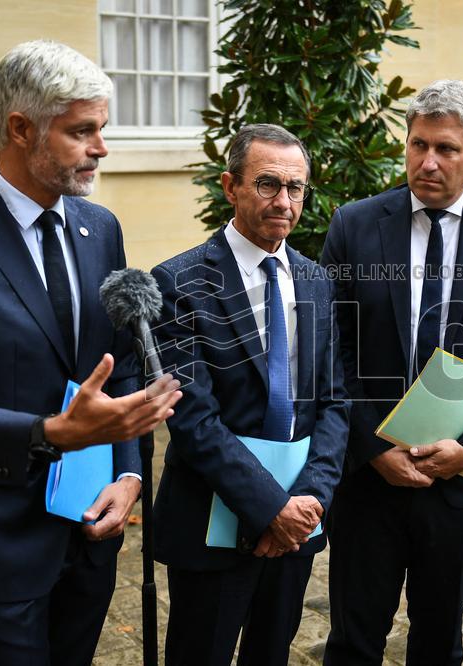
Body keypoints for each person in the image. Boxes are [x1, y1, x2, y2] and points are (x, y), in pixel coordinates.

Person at [0, 40, 182, 665]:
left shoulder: (97, 226)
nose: (101, 149)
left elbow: (120, 365)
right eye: (82, 132)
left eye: (101, 129)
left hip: (88, 528)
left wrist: (128, 474)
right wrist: (51, 433)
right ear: (21, 129)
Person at [321, 80, 463, 665]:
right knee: (353, 638)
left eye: (446, 149)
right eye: (418, 145)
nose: (427, 162)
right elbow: (330, 348)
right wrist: (374, 445)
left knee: (438, 639)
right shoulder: (354, 225)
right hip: (369, 475)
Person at [150, 123, 350, 666]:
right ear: (230, 185)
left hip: (297, 525)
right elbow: (192, 420)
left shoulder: (316, 280)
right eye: (267, 184)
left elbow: (334, 401)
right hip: (212, 523)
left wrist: (309, 501)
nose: (284, 201)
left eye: (296, 188)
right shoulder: (179, 283)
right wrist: (269, 509)